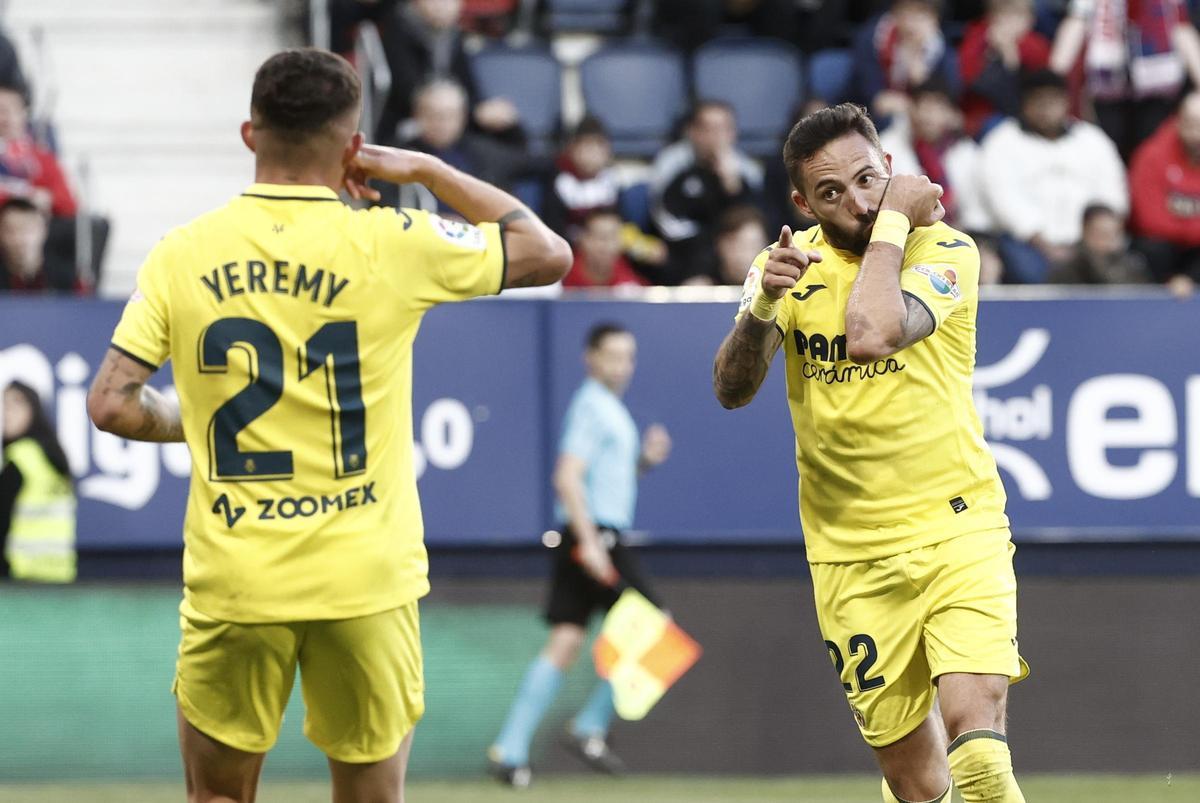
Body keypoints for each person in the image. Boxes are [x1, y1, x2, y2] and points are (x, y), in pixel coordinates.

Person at [85, 48, 570, 803]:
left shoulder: (181, 253)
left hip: (237, 579)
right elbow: (547, 252)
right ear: (353, 146)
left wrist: (198, 419)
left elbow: (112, 402)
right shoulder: (392, 240)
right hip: (366, 579)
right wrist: (425, 171)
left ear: (250, 134)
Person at [713, 103, 1027, 803]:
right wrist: (762, 305)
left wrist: (893, 225)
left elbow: (874, 331)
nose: (856, 201)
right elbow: (732, 390)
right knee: (917, 784)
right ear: (801, 202)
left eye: (866, 179)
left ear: (889, 167)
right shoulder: (783, 269)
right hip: (848, 552)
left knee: (976, 741)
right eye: (830, 192)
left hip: (957, 525)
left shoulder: (945, 251)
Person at [488, 322, 671, 788]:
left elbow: (605, 479)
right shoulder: (592, 406)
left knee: (567, 640)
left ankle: (509, 750)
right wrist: (590, 543)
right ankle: (589, 725)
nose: (621, 365)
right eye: (612, 355)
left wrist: (643, 462)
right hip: (595, 538)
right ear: (590, 358)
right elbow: (567, 477)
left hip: (584, 535)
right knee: (655, 627)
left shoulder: (608, 409)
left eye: (628, 356)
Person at [979, 69, 1127, 283]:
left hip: (1089, 242)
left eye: (1053, 101)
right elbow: (1004, 200)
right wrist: (1044, 244)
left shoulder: (1093, 140)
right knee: (1028, 270)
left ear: (1066, 102)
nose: (1046, 108)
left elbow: (1112, 193)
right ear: (1025, 103)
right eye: (1038, 101)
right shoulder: (1002, 142)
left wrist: (1096, 236)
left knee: (1121, 270)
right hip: (1029, 244)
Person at [1049, 0, 1200, 160]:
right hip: (1109, 87)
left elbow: (1181, 26)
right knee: (1108, 149)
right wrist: (1054, 75)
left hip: (1156, 87)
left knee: (1151, 149)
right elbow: (1076, 22)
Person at [651, 100, 764, 284]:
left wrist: (733, 187)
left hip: (732, 254)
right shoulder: (672, 164)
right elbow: (667, 223)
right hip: (686, 255)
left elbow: (756, 222)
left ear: (732, 133)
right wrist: (712, 243)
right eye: (708, 129)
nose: (715, 137)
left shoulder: (745, 170)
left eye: (722, 129)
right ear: (693, 132)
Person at [386, 79, 527, 214]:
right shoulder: (398, 157)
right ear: (416, 114)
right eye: (432, 114)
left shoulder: (485, 153)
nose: (440, 122)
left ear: (463, 116)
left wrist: (512, 129)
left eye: (449, 115)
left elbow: (533, 160)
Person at [1, 381, 77, 583]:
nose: (7, 415)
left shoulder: (20, 458)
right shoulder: (57, 458)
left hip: (20, 574)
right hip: (61, 574)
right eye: (4, 406)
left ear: (33, 410)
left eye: (15, 405)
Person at [1129, 90, 1200, 295]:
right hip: (1163, 249)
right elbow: (1148, 219)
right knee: (1152, 250)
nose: (1197, 135)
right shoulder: (1151, 155)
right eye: (1191, 124)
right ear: (1178, 121)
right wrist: (1190, 228)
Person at [851, 0, 962, 121]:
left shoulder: (943, 53)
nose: (911, 24)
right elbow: (871, 93)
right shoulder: (875, 38)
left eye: (920, 15)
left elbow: (950, 97)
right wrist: (879, 97)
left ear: (934, 19)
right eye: (905, 13)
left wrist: (922, 79)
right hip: (877, 114)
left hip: (924, 118)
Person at [957, 0, 1052, 137]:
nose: (1009, 23)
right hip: (979, 115)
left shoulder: (1036, 46)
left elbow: (1038, 86)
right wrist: (989, 52)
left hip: (1024, 114)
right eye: (1003, 16)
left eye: (1016, 16)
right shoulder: (977, 38)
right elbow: (964, 78)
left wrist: (1010, 54)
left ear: (1030, 20)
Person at [0, 81, 78, 218]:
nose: (7, 118)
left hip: (35, 227)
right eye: (1, 111)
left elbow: (69, 203)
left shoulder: (40, 157)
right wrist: (22, 198)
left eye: (14, 110)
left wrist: (46, 199)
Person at [1048, 204, 1153, 284]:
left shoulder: (1131, 266)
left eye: (1114, 234)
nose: (1109, 242)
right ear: (1085, 231)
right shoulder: (1067, 268)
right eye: (1102, 234)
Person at [0, 197, 80, 293]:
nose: (19, 239)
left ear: (43, 230)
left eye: (27, 230)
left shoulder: (67, 279)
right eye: (11, 231)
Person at [562, 209, 648, 290]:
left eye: (613, 237)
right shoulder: (562, 277)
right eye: (601, 237)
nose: (608, 246)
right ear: (583, 239)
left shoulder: (630, 282)